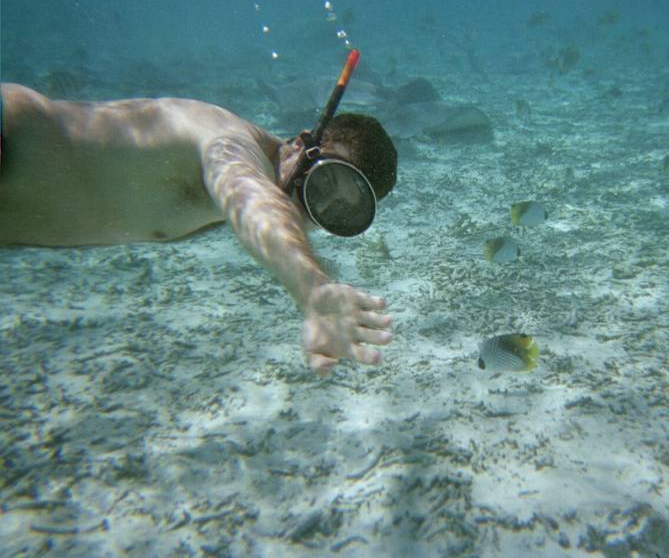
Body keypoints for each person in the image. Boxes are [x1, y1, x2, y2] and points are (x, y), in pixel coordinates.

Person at [0, 50, 396, 376]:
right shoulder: (228, 137)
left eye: (342, 211)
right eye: (324, 184)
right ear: (298, 145)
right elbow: (249, 195)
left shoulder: (221, 206)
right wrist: (312, 287)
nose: (317, 207)